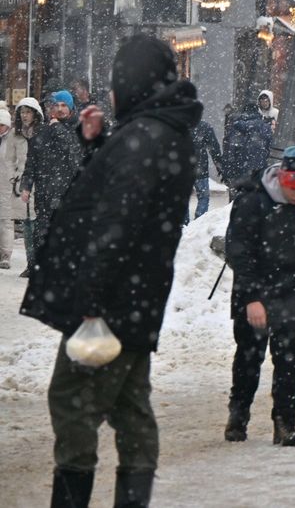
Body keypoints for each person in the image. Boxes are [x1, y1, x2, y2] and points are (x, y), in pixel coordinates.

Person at [19, 34, 202, 507]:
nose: (111, 92)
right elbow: (130, 200)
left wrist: (91, 303)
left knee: (71, 399)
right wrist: (100, 141)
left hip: (112, 302)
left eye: (117, 81)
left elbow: (117, 224)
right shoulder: (159, 131)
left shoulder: (144, 137)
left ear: (134, 82)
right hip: (136, 298)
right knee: (129, 404)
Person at [224, 145, 295, 447]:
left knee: (289, 360)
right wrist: (252, 299)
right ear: (283, 177)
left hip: (292, 290)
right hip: (254, 289)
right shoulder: (252, 202)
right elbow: (239, 253)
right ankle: (238, 415)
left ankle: (285, 423)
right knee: (249, 357)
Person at [20, 90, 83, 273]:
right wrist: (26, 185)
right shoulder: (42, 131)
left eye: (64, 105)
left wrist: (57, 128)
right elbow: (32, 161)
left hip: (67, 194)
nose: (60, 109)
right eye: (57, 105)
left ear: (71, 107)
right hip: (45, 192)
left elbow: (74, 156)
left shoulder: (78, 128)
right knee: (42, 234)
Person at [12, 97, 42, 274]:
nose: (25, 116)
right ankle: (30, 263)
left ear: (35, 114)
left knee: (38, 224)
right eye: (22, 112)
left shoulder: (42, 133)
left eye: (28, 112)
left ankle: (37, 263)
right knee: (27, 225)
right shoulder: (16, 134)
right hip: (22, 183)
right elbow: (9, 159)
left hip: (41, 182)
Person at [222, 103, 273, 200]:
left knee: (235, 202)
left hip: (239, 170)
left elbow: (229, 150)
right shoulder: (265, 127)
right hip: (258, 171)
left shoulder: (236, 126)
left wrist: (227, 171)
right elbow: (268, 147)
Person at [189, 117, 223, 221]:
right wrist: (219, 166)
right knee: (203, 197)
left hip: (183, 169)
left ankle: (184, 224)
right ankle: (199, 222)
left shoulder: (179, 126)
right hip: (200, 167)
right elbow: (214, 148)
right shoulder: (204, 126)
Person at [0, 109, 14, 269]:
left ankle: (6, 255)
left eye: (2, 125)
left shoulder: (12, 140)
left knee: (6, 221)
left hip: (7, 185)